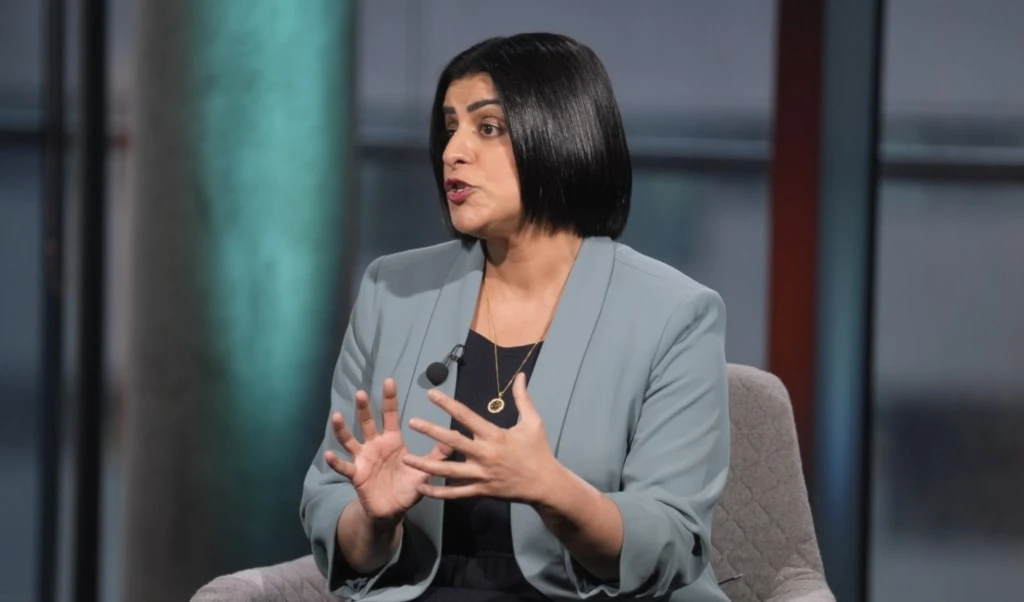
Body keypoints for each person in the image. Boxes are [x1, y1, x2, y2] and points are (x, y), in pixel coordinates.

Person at [300, 32, 730, 602]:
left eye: (487, 127)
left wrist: (554, 491)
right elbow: (331, 508)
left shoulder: (673, 314)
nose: (453, 151)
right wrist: (374, 519)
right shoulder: (392, 290)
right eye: (449, 127)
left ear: (558, 132)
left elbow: (671, 540)